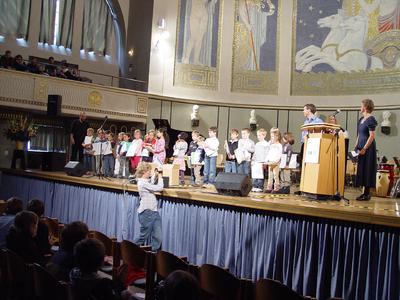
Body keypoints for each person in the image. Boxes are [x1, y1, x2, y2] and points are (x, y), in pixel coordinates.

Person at [134, 162, 164, 251]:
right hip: (147, 212)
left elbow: (151, 183)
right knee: (143, 236)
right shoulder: (142, 183)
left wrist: (156, 175)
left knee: (158, 237)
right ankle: (128, 250)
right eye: (149, 171)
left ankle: (153, 256)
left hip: (154, 212)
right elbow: (159, 188)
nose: (150, 173)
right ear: (144, 171)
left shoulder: (145, 182)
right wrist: (161, 177)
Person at [355, 99, 377, 201]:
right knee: (362, 169)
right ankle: (363, 193)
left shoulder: (371, 119)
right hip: (360, 146)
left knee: (367, 169)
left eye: (361, 105)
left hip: (368, 148)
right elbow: (359, 134)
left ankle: (367, 194)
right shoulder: (361, 119)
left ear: (365, 107)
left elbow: (372, 136)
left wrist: (364, 148)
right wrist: (356, 146)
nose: (360, 107)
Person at [265, 128, 283, 194]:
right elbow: (269, 153)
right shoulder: (271, 145)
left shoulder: (279, 145)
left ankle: (276, 188)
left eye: (273, 136)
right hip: (270, 162)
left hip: (276, 163)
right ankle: (269, 187)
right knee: (270, 175)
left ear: (277, 137)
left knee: (276, 175)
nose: (271, 137)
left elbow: (279, 154)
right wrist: (267, 159)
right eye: (271, 136)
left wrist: (276, 160)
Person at [251, 128, 269, 192]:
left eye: (260, 135)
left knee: (261, 175)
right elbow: (255, 153)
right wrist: (253, 160)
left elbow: (267, 154)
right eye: (258, 135)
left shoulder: (266, 144)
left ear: (264, 135)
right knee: (255, 175)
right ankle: (254, 186)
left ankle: (260, 186)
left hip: (262, 162)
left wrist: (265, 162)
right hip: (256, 162)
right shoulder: (257, 144)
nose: (258, 137)